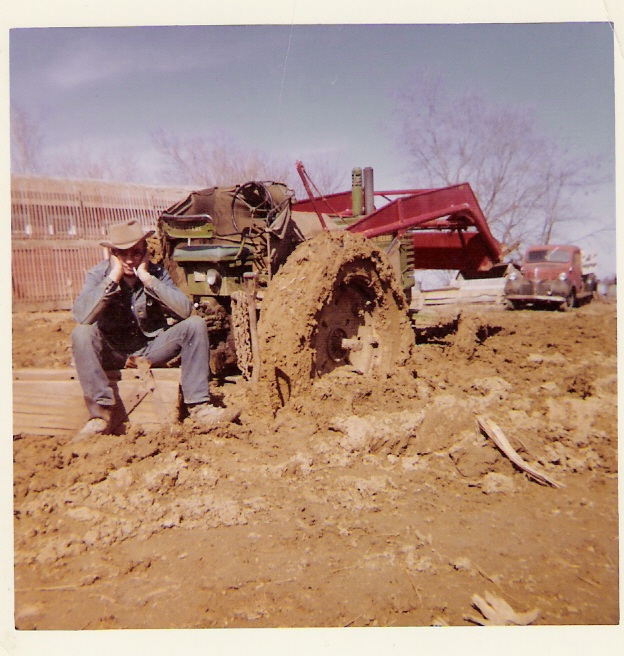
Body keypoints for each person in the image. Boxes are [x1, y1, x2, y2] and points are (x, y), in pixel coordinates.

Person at [71, 219, 231, 441]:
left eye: (136, 253)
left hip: (150, 350)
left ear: (145, 252)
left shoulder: (155, 272)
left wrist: (148, 279)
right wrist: (112, 279)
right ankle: (99, 416)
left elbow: (185, 311)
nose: (130, 259)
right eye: (122, 253)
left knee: (195, 325)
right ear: (112, 254)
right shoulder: (98, 275)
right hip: (114, 353)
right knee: (81, 333)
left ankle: (199, 406)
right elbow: (81, 316)